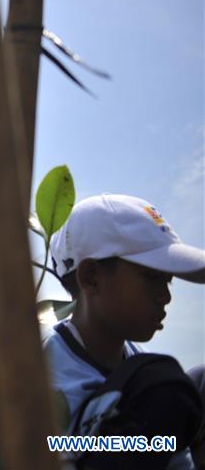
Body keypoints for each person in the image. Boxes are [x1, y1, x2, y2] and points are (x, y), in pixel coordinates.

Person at [44, 194, 205, 469]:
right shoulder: (42, 366)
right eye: (153, 278)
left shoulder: (136, 367)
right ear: (90, 278)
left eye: (168, 282)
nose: (165, 297)